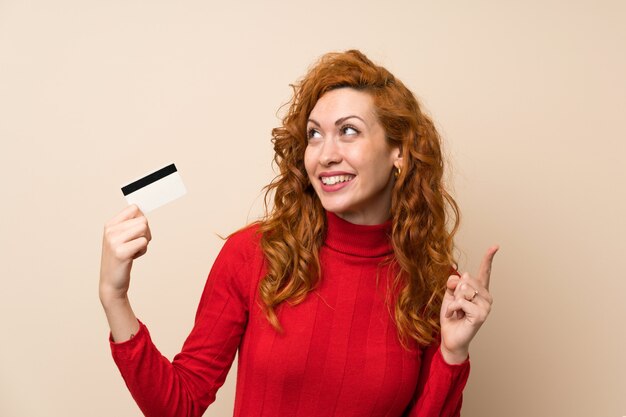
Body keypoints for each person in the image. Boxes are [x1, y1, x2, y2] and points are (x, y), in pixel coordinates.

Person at [99, 49, 498, 417]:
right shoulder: (254, 254)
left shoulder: (430, 281)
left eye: (349, 131)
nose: (325, 154)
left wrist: (452, 353)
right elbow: (179, 405)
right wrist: (115, 297)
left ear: (399, 151)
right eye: (314, 134)